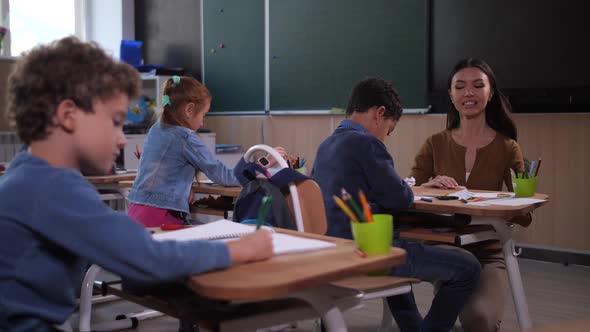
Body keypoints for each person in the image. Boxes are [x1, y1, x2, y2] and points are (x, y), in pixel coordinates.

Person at [0, 37, 273, 332]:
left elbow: (110, 234)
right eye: (116, 121)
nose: (121, 138)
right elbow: (146, 259)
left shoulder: (26, 172)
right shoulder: (52, 187)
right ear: (68, 116)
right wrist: (236, 251)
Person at [312, 77, 481, 332]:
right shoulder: (368, 143)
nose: (385, 137)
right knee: (468, 267)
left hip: (329, 252)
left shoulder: (326, 146)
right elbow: (399, 198)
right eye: (389, 130)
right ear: (380, 113)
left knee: (398, 254)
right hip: (365, 254)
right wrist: (405, 186)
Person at [410, 58, 526, 332]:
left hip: (486, 251)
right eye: (460, 87)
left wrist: (513, 202)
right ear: (451, 96)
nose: (469, 93)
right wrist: (429, 185)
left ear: (491, 93)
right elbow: (409, 193)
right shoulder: (434, 143)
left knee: (479, 320)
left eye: (477, 85)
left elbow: (523, 209)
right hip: (442, 246)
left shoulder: (508, 147)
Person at [127, 75, 284, 227]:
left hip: (136, 211)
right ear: (189, 110)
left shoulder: (157, 129)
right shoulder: (185, 137)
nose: (202, 123)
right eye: (203, 115)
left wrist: (183, 191)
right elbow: (226, 177)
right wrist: (263, 164)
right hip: (159, 217)